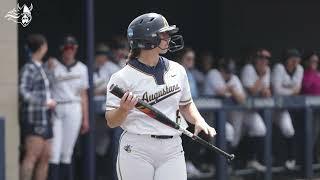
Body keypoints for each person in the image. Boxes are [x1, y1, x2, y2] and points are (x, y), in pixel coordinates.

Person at [105, 13, 216, 180]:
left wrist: (198, 120)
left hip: (172, 146)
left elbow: (186, 105)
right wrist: (123, 109)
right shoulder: (122, 77)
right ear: (148, 40)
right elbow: (111, 121)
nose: (168, 38)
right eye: (163, 34)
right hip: (137, 147)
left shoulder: (177, 70)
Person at [47, 36, 89, 180]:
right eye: (67, 47)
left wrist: (86, 119)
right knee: (54, 152)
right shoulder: (53, 65)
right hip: (57, 107)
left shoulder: (82, 68)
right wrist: (47, 66)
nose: (69, 50)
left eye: (72, 47)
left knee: (67, 152)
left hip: (74, 107)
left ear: (76, 48)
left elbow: (84, 95)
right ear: (61, 49)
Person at [19, 34, 56, 180]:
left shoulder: (43, 66)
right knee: (32, 155)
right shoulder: (29, 67)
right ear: (42, 47)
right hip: (34, 117)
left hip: (46, 116)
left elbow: (47, 88)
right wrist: (43, 101)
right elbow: (23, 91)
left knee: (46, 156)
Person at [271, 48, 304, 170]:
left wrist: (285, 90)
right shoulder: (279, 68)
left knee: (288, 130)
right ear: (286, 60)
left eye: (297, 60)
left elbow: (298, 90)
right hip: (269, 106)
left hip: (282, 108)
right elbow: (277, 90)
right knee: (259, 131)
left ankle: (291, 158)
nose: (295, 62)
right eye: (292, 59)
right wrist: (291, 90)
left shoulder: (299, 69)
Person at [240, 49, 270, 171]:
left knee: (260, 129)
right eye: (261, 58)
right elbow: (252, 90)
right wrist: (262, 77)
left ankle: (251, 160)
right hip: (238, 109)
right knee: (234, 136)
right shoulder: (248, 69)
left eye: (266, 59)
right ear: (255, 59)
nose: (264, 61)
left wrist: (265, 90)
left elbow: (266, 91)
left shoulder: (266, 70)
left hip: (250, 110)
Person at [301, 51, 320, 162]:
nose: (314, 63)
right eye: (312, 60)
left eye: (316, 61)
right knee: (311, 137)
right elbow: (306, 87)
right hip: (309, 110)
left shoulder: (318, 74)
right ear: (306, 61)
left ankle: (316, 161)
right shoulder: (303, 73)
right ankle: (307, 164)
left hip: (318, 109)